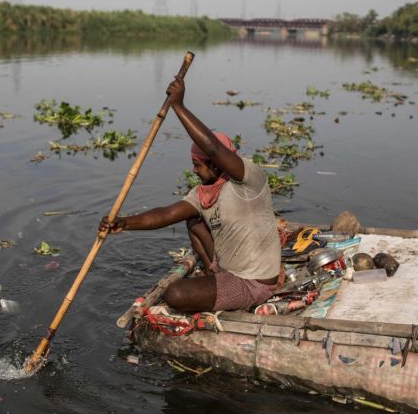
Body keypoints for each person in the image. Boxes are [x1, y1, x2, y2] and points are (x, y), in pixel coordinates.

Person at [100, 75, 282, 313]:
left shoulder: (249, 179)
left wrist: (178, 106)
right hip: (229, 269)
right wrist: (123, 223)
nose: (194, 170)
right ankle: (212, 273)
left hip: (252, 282)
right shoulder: (203, 193)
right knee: (193, 219)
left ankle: (222, 286)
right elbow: (166, 214)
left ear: (215, 164)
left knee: (175, 294)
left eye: (198, 165)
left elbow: (212, 147)